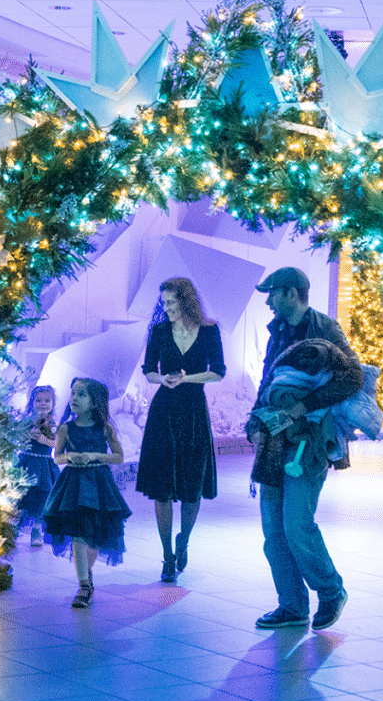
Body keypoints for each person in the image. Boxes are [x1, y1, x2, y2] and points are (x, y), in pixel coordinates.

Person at [246, 267, 363, 631]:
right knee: (273, 530)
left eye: (273, 294)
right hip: (273, 440)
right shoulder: (277, 332)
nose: (268, 301)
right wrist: (254, 419)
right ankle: (292, 605)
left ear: (293, 293)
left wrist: (303, 406)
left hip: (308, 443)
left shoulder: (325, 329)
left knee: (296, 523)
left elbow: (353, 377)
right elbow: (269, 379)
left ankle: (330, 591)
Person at [135, 277, 225, 583]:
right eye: (164, 302)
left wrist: (186, 379)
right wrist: (164, 380)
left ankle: (183, 540)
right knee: (162, 487)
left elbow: (218, 371)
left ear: (186, 301)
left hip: (194, 412)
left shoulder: (210, 330)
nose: (166, 308)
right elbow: (148, 370)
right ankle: (167, 556)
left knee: (191, 485)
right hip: (164, 412)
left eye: (172, 302)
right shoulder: (159, 331)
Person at [43, 378, 132, 608]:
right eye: (73, 393)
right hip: (73, 485)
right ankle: (83, 585)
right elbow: (57, 456)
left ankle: (87, 575)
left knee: (95, 536)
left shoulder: (105, 429)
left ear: (94, 402)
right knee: (78, 534)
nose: (74, 398)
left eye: (81, 394)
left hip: (99, 484)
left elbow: (118, 456)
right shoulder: (65, 428)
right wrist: (70, 457)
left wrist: (94, 456)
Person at [17, 385, 59, 547]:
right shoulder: (27, 421)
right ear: (32, 403)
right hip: (27, 462)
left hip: (44, 465)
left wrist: (45, 441)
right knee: (21, 495)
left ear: (53, 403)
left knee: (42, 498)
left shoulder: (53, 424)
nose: (43, 404)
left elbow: (57, 444)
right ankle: (13, 527)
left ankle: (36, 529)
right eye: (38, 400)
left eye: (47, 400)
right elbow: (17, 438)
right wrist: (27, 434)